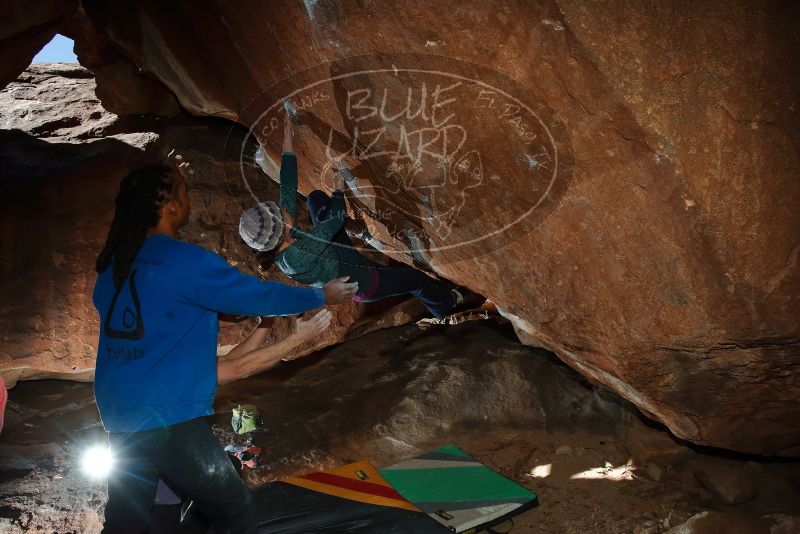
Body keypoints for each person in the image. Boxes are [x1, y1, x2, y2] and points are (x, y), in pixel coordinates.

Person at [92, 163, 357, 534]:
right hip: (168, 419)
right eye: (184, 193)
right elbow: (256, 295)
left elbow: (153, 319)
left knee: (128, 520)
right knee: (233, 507)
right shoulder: (185, 261)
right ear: (170, 207)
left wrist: (228, 316)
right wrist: (318, 294)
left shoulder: (114, 270)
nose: (187, 201)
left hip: (120, 415)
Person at [240, 110, 470, 320]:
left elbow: (288, 184)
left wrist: (287, 137)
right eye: (280, 214)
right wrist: (340, 189)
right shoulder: (295, 257)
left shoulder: (281, 234)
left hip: (332, 251)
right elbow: (334, 220)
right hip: (362, 280)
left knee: (315, 199)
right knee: (414, 280)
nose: (283, 209)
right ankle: (446, 305)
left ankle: (358, 231)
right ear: (280, 230)